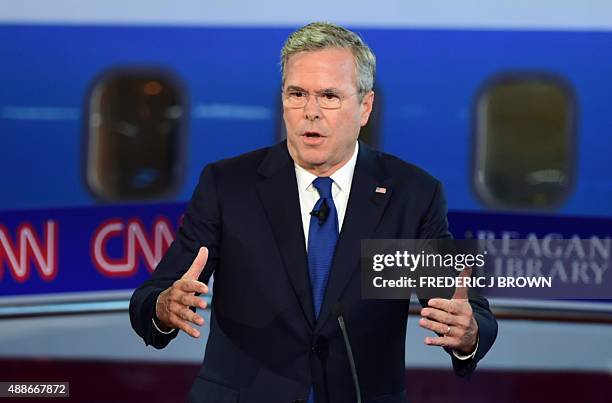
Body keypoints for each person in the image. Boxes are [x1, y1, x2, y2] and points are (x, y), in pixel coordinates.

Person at [129, 22, 497, 403]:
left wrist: (466, 333)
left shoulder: (409, 195)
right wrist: (163, 306)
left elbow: (467, 310)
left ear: (365, 107)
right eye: (297, 94)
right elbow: (150, 297)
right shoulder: (229, 186)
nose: (311, 112)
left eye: (329, 97)